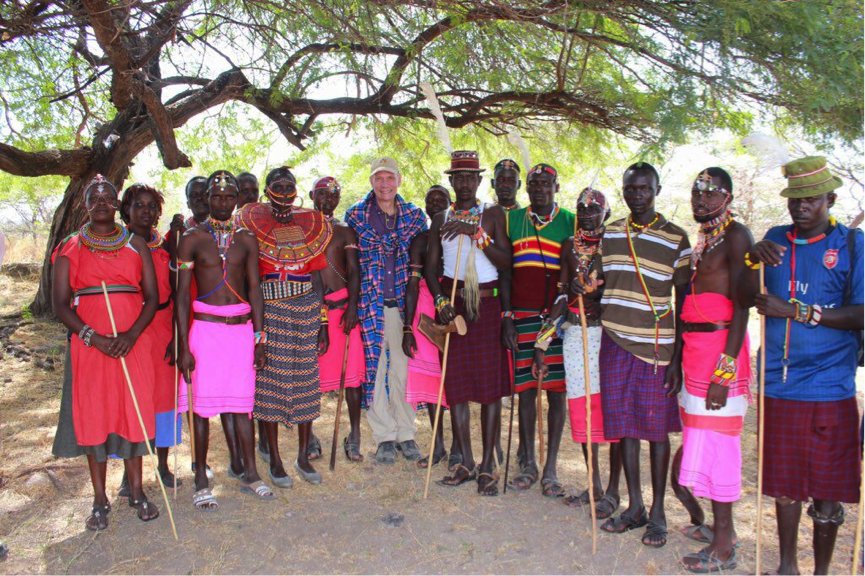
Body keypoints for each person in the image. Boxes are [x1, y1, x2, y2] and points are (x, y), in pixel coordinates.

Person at [748, 156, 864, 576]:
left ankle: (821, 572)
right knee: (785, 487)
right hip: (779, 384)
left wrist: (796, 310)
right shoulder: (774, 239)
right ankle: (786, 568)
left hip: (830, 386)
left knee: (827, 491)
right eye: (795, 199)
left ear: (830, 199)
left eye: (811, 199)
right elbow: (746, 293)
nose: (801, 206)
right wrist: (750, 259)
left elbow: (861, 313)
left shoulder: (852, 244)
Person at [574, 162, 690, 548]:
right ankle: (635, 506)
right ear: (623, 191)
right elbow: (598, 283)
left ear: (657, 190)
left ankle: (658, 514)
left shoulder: (676, 238)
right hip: (614, 341)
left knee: (655, 432)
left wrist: (677, 359)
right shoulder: (610, 232)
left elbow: (683, 301)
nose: (637, 195)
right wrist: (585, 287)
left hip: (656, 348)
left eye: (644, 189)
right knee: (623, 428)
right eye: (630, 189)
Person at [52, 174, 160, 530]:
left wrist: (131, 334)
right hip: (90, 345)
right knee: (94, 413)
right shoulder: (70, 246)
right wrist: (92, 337)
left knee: (133, 410)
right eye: (94, 198)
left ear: (117, 204)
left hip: (133, 341)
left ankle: (137, 492)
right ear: (85, 205)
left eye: (107, 197)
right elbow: (60, 304)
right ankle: (99, 499)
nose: (101, 202)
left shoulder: (135, 244)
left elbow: (152, 297)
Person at [666, 168, 753, 573]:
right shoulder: (704, 239)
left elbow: (742, 307)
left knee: (719, 450)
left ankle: (723, 547)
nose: (700, 200)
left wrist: (724, 373)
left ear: (727, 197)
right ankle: (720, 531)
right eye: (696, 193)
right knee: (700, 442)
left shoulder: (737, 236)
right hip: (696, 354)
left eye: (710, 193)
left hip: (720, 355)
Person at [176, 170, 273, 509]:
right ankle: (201, 480)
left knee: (242, 407)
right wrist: (183, 346)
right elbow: (182, 296)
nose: (222, 202)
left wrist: (260, 339)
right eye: (216, 197)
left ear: (236, 200)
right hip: (205, 331)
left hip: (241, 332)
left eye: (229, 197)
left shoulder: (246, 238)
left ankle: (251, 473)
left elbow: (255, 289)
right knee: (201, 409)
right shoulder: (191, 238)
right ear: (206, 199)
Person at [237, 166, 333, 485]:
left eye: (288, 186)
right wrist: (257, 329)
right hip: (271, 310)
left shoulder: (310, 226)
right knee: (270, 385)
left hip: (306, 309)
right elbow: (250, 280)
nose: (283, 191)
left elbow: (317, 278)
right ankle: (275, 461)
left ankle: (303, 457)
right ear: (267, 191)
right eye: (277, 186)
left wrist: (322, 321)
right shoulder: (252, 226)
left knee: (306, 381)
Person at [531, 187, 623, 518]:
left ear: (606, 213)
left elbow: (620, 290)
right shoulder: (569, 246)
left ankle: (613, 490)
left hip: (608, 336)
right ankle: (594, 484)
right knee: (584, 410)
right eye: (581, 211)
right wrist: (542, 343)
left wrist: (596, 296)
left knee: (609, 411)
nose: (586, 216)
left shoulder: (615, 244)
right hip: (574, 334)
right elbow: (560, 295)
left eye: (593, 210)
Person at [425, 150, 512, 495]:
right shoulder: (440, 218)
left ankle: (488, 465)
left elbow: (505, 263)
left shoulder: (493, 214)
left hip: (486, 304)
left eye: (469, 177)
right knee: (456, 387)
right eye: (458, 177)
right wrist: (440, 301)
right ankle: (465, 461)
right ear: (451, 181)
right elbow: (431, 268)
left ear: (478, 180)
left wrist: (475, 233)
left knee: (489, 391)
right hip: (454, 304)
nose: (464, 183)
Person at [346, 157, 428, 464]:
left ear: (399, 181)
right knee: (374, 369)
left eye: (389, 178)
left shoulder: (415, 217)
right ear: (371, 182)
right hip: (370, 303)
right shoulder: (356, 215)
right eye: (379, 179)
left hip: (404, 306)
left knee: (404, 370)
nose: (384, 184)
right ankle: (384, 437)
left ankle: (406, 433)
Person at [500, 163, 575, 497]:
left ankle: (551, 468)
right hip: (522, 315)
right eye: (534, 184)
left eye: (546, 184)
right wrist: (506, 316)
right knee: (526, 391)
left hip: (558, 318)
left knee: (557, 393)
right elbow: (505, 271)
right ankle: (528, 463)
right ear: (526, 188)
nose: (540, 189)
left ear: (556, 187)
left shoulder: (571, 221)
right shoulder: (512, 220)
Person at [168, 175, 242, 480]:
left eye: (204, 194)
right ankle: (200, 463)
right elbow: (177, 289)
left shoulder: (234, 234)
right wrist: (179, 339)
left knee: (230, 394)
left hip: (226, 321)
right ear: (189, 201)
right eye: (195, 196)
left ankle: (238, 458)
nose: (200, 200)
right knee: (198, 397)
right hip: (194, 321)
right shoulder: (185, 235)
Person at [117, 184, 183, 496]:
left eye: (151, 206)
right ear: (126, 210)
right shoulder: (117, 245)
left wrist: (177, 336)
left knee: (163, 398)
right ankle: (129, 474)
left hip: (163, 329)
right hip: (130, 329)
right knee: (132, 397)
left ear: (158, 212)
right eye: (138, 205)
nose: (146, 211)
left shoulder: (166, 247)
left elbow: (179, 292)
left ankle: (163, 465)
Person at [403, 185, 462, 470]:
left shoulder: (461, 237)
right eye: (431, 200)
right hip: (426, 310)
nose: (436, 203)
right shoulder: (421, 240)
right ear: (425, 207)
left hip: (455, 305)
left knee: (456, 381)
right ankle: (438, 447)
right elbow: (413, 284)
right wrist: (407, 327)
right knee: (431, 383)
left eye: (442, 199)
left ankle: (460, 449)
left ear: (451, 204)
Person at [310, 176, 364, 462]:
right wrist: (319, 317)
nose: (328, 199)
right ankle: (309, 436)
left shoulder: (344, 231)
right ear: (312, 195)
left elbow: (354, 271)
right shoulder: (302, 230)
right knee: (310, 378)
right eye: (323, 194)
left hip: (343, 310)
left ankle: (354, 435)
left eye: (334, 195)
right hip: (312, 311)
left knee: (351, 378)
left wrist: (353, 306)